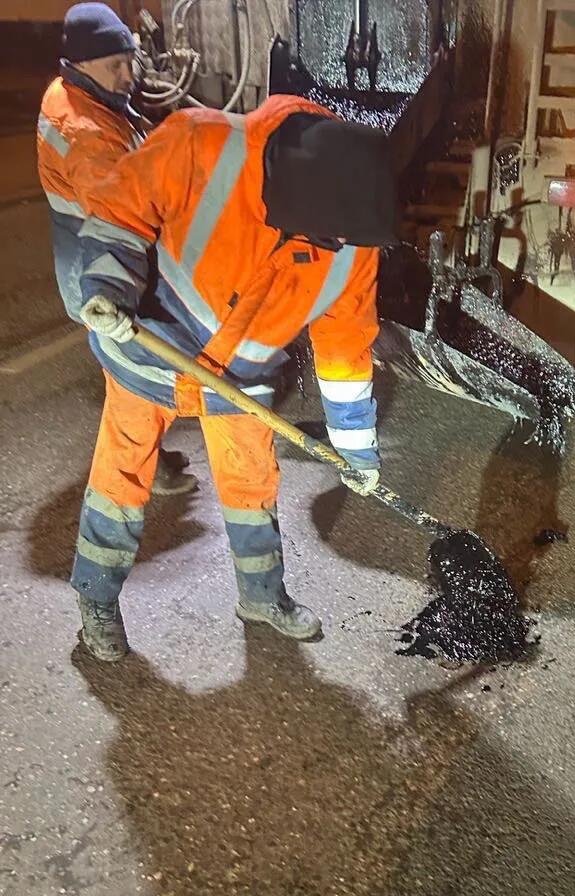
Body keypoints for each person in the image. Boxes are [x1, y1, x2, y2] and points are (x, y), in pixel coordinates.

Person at [70, 93, 398, 661]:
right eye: (330, 240)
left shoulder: (353, 237)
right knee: (121, 478)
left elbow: (345, 350)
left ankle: (262, 596)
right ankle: (96, 599)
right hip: (151, 348)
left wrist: (356, 451)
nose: (341, 250)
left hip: (240, 378)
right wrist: (106, 289)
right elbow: (120, 211)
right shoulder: (199, 144)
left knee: (252, 485)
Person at [36, 1, 196, 495]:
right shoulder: (86, 134)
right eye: (116, 67)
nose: (129, 77)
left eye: (130, 63)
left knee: (130, 378)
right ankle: (127, 479)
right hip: (101, 271)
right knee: (133, 378)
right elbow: (121, 213)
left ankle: (143, 460)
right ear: (82, 64)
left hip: (92, 264)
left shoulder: (80, 95)